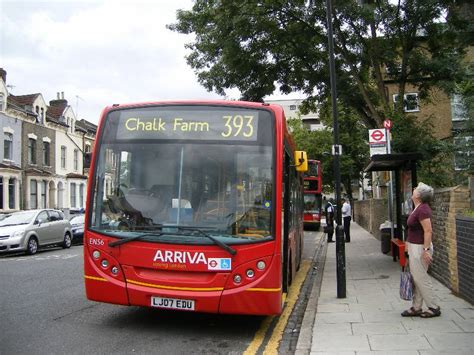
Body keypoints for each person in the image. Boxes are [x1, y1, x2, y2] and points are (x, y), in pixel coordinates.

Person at [401, 182, 441, 318]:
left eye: (416, 189)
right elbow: (412, 229)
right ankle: (417, 307)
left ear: (419, 195)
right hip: (414, 246)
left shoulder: (423, 209)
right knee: (417, 278)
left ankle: (434, 307)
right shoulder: (417, 207)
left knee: (421, 278)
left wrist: (426, 249)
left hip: (420, 247)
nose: (413, 190)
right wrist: (407, 246)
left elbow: (428, 230)